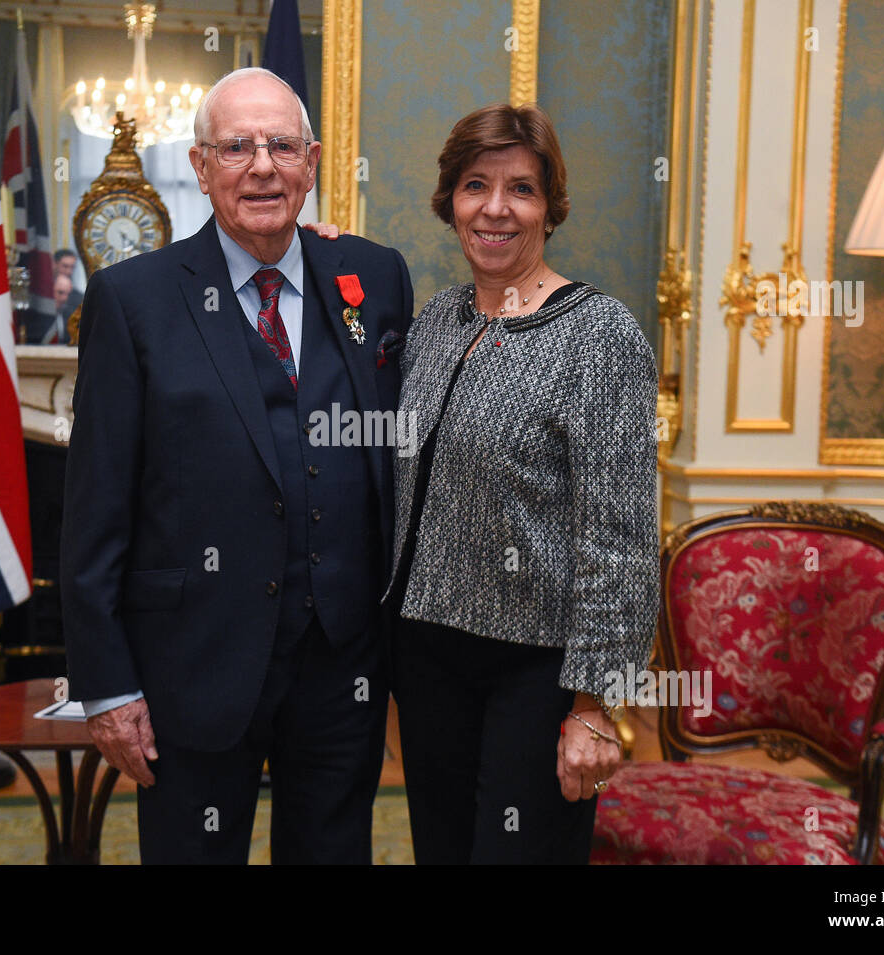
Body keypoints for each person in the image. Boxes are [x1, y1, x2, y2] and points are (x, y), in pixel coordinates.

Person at [60, 67, 413, 865]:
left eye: (282, 145)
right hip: (194, 665)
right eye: (237, 147)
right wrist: (108, 687)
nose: (262, 165)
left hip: (342, 667)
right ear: (200, 165)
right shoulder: (132, 299)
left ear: (312, 163)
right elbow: (95, 508)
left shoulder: (375, 279)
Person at [383, 103, 659, 864]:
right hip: (427, 660)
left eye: (522, 189)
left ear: (549, 207)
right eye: (475, 185)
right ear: (451, 202)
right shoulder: (436, 321)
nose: (496, 208)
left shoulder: (599, 333)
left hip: (537, 674)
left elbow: (623, 536)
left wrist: (596, 704)